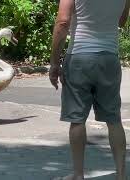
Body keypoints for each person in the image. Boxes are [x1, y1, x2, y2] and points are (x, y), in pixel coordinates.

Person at [49, 0, 130, 179]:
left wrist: (54, 62)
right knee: (113, 119)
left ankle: (78, 175)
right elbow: (121, 21)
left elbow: (63, 22)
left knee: (77, 119)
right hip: (109, 58)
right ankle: (121, 175)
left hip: (79, 57)